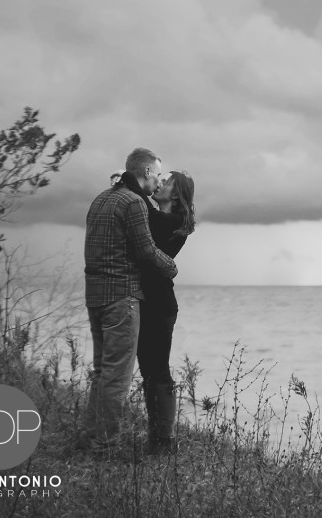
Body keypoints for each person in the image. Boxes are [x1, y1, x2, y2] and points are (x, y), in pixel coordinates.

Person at [81, 148, 178, 455]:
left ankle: (90, 438)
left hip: (94, 295)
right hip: (121, 297)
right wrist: (172, 267)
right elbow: (147, 251)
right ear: (147, 172)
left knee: (101, 372)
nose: (159, 181)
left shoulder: (102, 198)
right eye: (158, 174)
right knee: (117, 377)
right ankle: (105, 447)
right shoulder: (134, 202)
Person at [134, 170, 196, 456]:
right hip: (150, 301)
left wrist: (133, 187)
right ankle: (157, 436)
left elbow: (148, 217)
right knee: (149, 369)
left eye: (166, 182)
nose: (159, 184)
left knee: (157, 369)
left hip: (160, 305)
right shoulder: (162, 218)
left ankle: (165, 439)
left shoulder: (171, 221)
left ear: (175, 194)